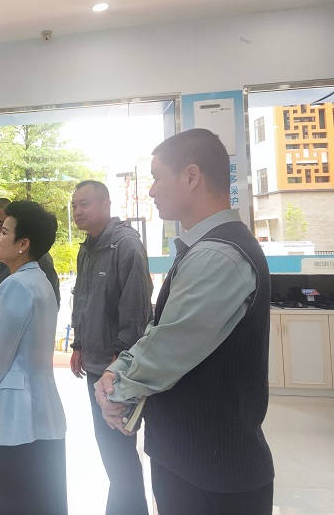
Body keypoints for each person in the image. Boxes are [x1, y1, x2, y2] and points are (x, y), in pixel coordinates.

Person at [95, 128, 274, 515]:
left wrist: (115, 389)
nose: (151, 190)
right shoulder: (206, 249)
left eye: (157, 177)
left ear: (191, 176)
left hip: (213, 471)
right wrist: (118, 371)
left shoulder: (219, 255)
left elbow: (169, 348)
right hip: (194, 459)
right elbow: (162, 333)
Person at [0, 201, 67, 515]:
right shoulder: (39, 281)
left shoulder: (16, 286)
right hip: (42, 406)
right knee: (41, 498)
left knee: (16, 499)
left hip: (17, 413)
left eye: (5, 231)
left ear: (23, 244)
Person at [69, 180, 152, 515]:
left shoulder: (126, 244)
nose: (78, 211)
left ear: (106, 204)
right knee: (111, 449)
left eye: (85, 204)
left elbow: (135, 309)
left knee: (118, 449)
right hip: (95, 365)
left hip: (117, 369)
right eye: (74, 205)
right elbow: (82, 299)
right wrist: (78, 344)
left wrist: (119, 362)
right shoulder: (87, 248)